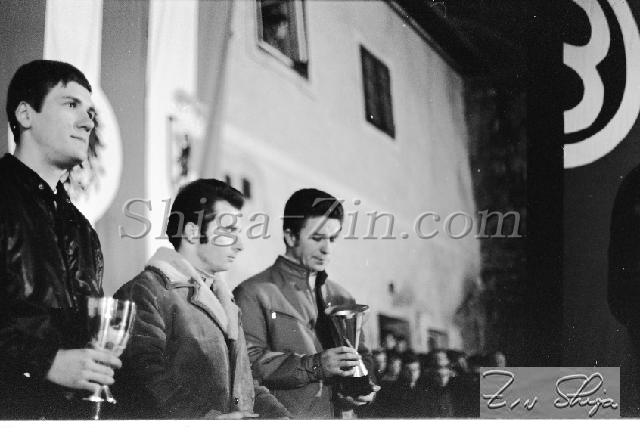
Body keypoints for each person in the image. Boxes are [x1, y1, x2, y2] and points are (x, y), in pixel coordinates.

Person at [0, 60, 121, 419]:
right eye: (71, 104)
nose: (88, 123)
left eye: (91, 113)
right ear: (25, 114)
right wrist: (43, 362)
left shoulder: (83, 230)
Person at [113, 179, 290, 419]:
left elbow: (244, 385)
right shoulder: (147, 290)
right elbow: (144, 378)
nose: (240, 245)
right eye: (228, 231)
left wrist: (285, 421)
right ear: (192, 232)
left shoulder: (225, 301)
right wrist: (208, 421)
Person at [233, 188, 377, 418]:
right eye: (317, 238)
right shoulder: (253, 293)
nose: (327, 249)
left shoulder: (343, 297)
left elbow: (363, 356)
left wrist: (361, 389)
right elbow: (247, 364)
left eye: (332, 238)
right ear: (291, 236)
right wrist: (316, 365)